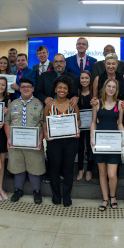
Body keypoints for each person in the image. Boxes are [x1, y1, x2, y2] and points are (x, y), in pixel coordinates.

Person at [4, 78, 45, 204]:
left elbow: (43, 123)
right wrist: (9, 138)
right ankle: (18, 190)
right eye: (23, 87)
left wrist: (40, 140)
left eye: (28, 86)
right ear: (19, 89)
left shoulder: (39, 104)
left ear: (32, 89)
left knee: (35, 168)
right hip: (16, 143)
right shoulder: (13, 103)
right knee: (18, 167)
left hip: (34, 144)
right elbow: (7, 122)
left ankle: (36, 192)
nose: (26, 89)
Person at [43, 76, 81, 207]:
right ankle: (56, 196)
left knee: (68, 169)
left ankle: (67, 197)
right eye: (60, 87)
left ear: (68, 90)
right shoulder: (49, 104)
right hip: (54, 142)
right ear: (55, 89)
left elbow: (78, 120)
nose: (62, 90)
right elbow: (44, 121)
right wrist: (46, 133)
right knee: (54, 168)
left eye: (65, 88)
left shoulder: (72, 103)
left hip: (71, 141)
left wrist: (77, 129)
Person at [90, 78, 124, 211]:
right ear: (104, 88)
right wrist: (91, 138)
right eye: (109, 86)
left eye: (114, 87)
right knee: (102, 172)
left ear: (117, 90)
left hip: (114, 143)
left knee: (112, 174)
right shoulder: (97, 103)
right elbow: (94, 122)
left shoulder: (120, 104)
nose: (111, 89)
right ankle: (105, 199)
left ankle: (113, 196)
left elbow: (120, 123)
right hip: (100, 142)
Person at [76, 70, 94, 181]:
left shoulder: (94, 95)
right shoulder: (76, 95)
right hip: (80, 125)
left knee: (90, 146)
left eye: (86, 78)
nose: (84, 80)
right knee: (80, 147)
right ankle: (80, 169)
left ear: (90, 79)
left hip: (92, 125)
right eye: (82, 78)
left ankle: (89, 170)